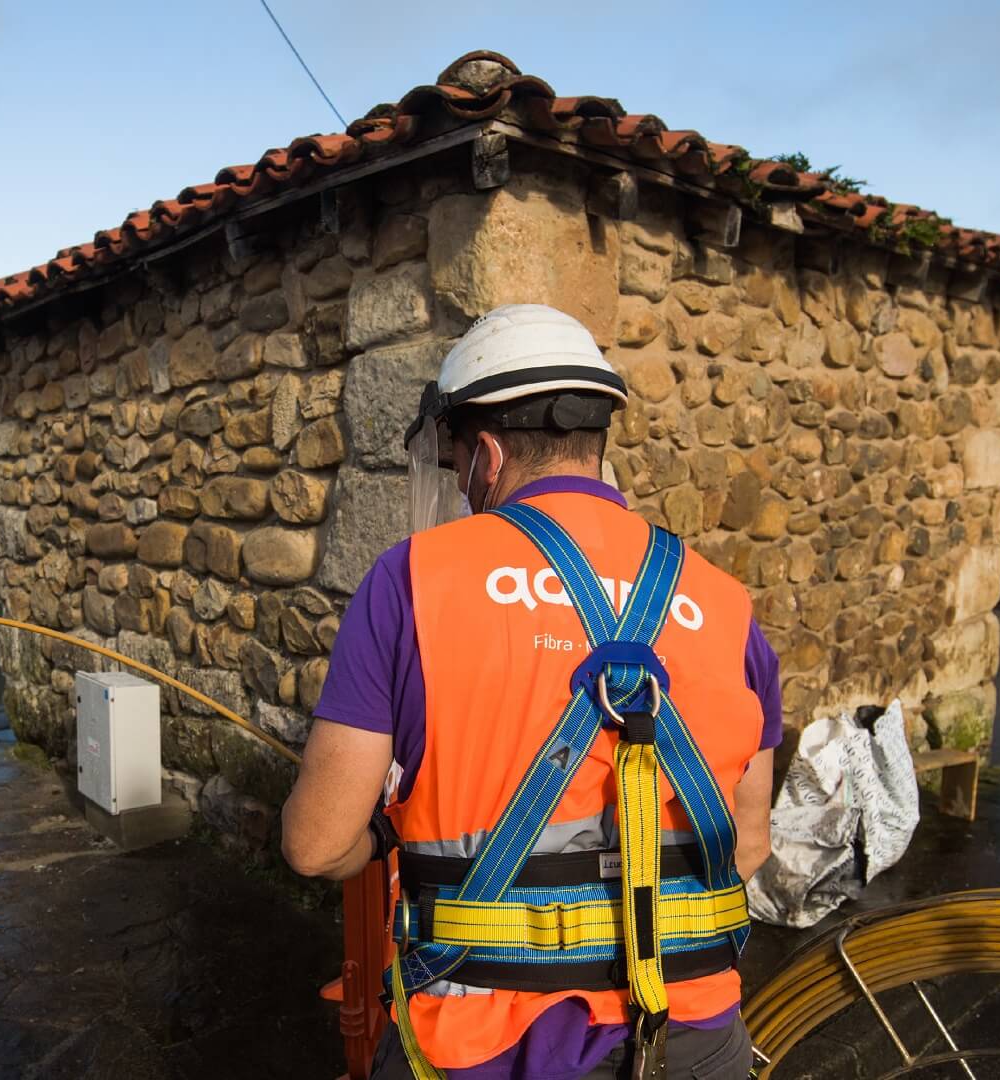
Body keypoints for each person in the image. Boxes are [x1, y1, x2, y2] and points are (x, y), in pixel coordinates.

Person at [281, 306, 783, 1080]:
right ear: (596, 441)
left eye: (455, 469)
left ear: (484, 453)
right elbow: (747, 846)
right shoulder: (725, 602)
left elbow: (316, 845)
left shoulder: (412, 580)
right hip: (690, 1038)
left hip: (484, 1047)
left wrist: (381, 836)